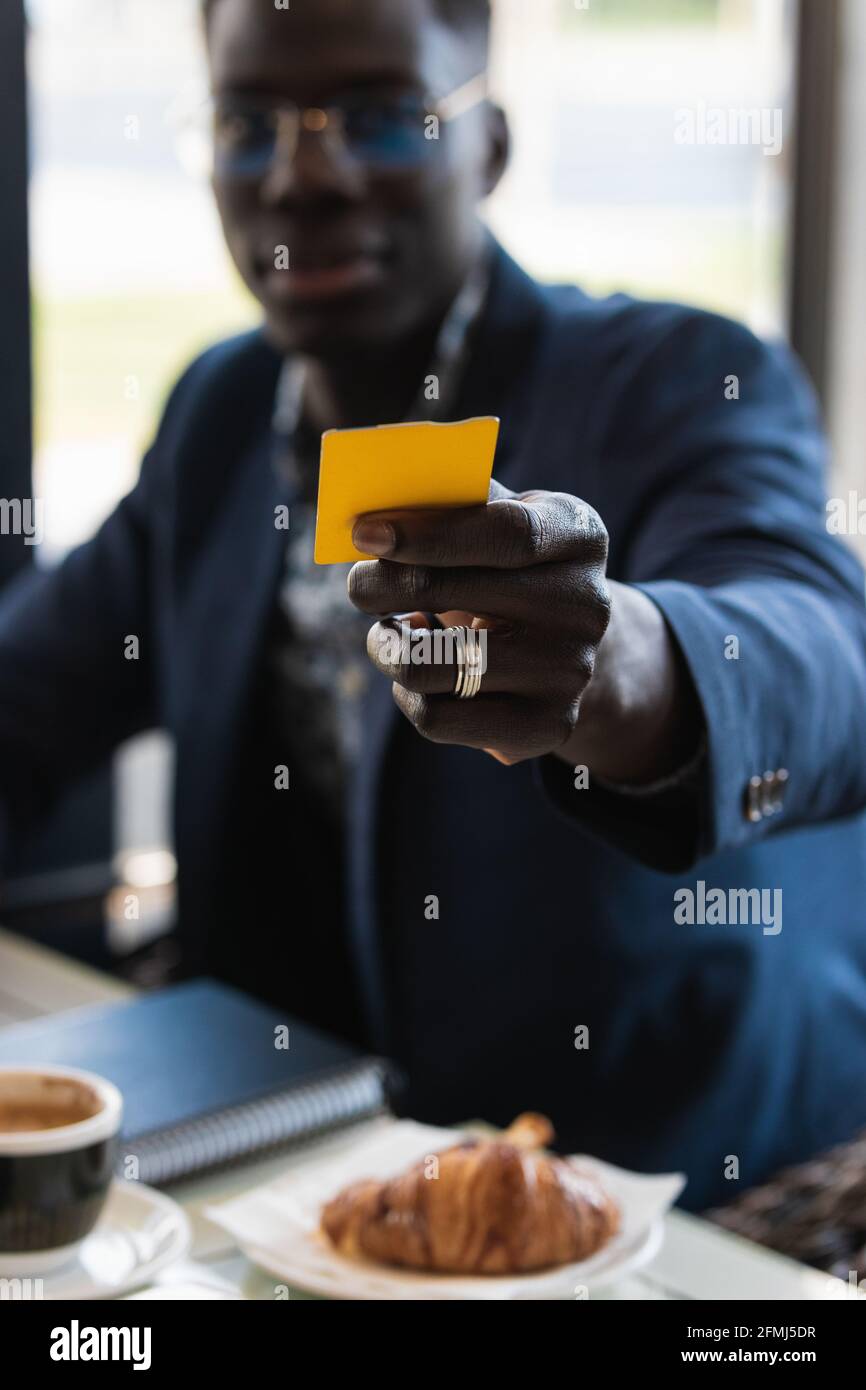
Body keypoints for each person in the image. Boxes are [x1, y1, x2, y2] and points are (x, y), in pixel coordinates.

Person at [2, 0, 866, 1210]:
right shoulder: (219, 412)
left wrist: (623, 663)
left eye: (378, 116)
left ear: (491, 146)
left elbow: (826, 658)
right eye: (250, 122)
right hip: (313, 1182)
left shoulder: (675, 380)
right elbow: (27, 701)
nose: (303, 177)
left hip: (670, 1191)